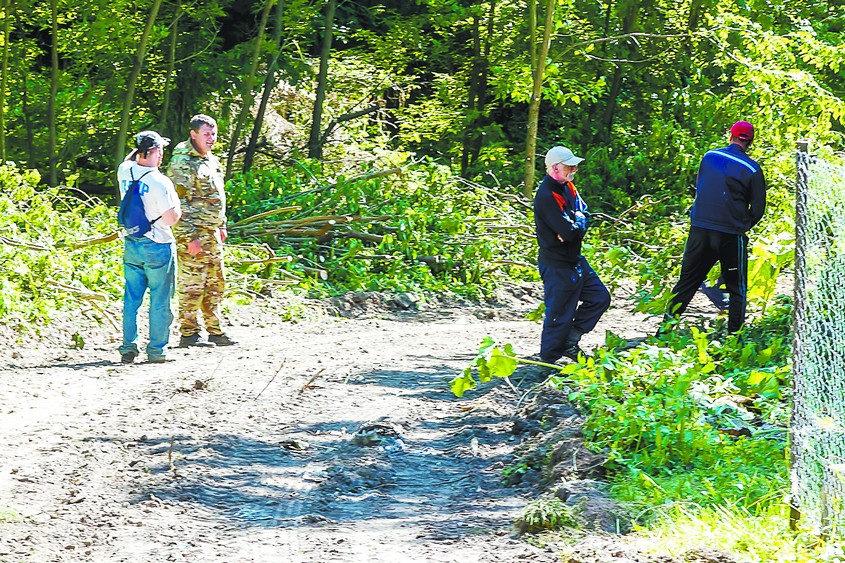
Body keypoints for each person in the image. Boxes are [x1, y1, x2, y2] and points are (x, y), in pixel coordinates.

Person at [664, 120, 767, 333]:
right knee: (736, 288)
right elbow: (758, 209)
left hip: (700, 228)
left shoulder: (709, 157)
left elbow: (701, 187)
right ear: (751, 142)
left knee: (687, 282)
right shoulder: (753, 169)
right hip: (730, 233)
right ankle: (734, 338)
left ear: (731, 135)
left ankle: (664, 331)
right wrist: (742, 224)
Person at [533, 146, 611, 363]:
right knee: (559, 315)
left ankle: (570, 340)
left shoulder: (569, 187)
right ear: (555, 168)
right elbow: (569, 233)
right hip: (557, 266)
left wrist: (577, 221)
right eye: (570, 166)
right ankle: (548, 362)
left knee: (600, 298)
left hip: (575, 261)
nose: (575, 169)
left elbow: (584, 214)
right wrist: (574, 226)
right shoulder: (546, 195)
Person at [166, 114, 237, 347]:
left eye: (213, 133)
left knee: (215, 283)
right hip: (194, 233)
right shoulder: (182, 162)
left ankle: (215, 330)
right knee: (192, 284)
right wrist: (189, 237)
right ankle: (189, 333)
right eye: (206, 134)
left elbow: (217, 196)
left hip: (211, 232)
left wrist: (221, 224)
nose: (211, 138)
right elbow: (178, 203)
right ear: (193, 134)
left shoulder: (210, 160)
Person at [118, 131, 182, 364]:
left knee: (132, 298)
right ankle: (156, 350)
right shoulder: (160, 182)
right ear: (155, 151)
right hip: (158, 244)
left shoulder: (124, 171)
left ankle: (128, 347)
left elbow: (129, 160)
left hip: (132, 241)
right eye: (160, 149)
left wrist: (140, 149)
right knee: (160, 298)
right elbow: (171, 219)